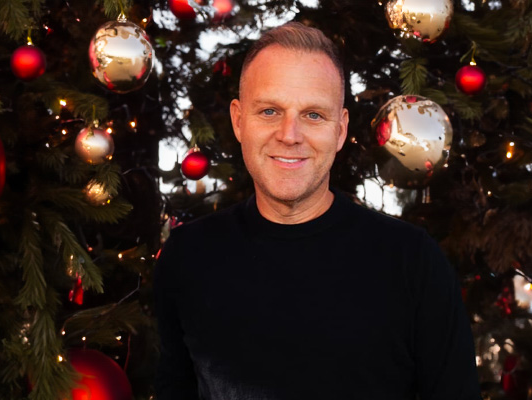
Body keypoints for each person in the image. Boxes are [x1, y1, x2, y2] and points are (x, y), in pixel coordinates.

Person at [154, 22, 480, 400]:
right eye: (270, 111)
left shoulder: (413, 261)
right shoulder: (187, 256)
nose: (289, 135)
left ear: (340, 130)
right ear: (239, 121)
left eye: (313, 115)